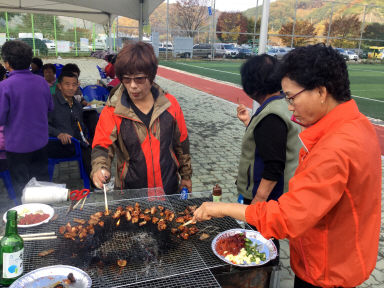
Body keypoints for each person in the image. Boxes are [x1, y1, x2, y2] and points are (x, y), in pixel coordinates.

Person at [192, 44, 382, 288]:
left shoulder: (336, 147)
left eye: (291, 97)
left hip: (326, 271)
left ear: (321, 92)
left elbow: (287, 218)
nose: (290, 107)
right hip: (340, 255)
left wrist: (221, 209)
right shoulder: (357, 124)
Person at [91, 41, 192, 195]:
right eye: (126, 79)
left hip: (168, 189)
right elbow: (102, 146)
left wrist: (185, 176)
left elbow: (182, 143)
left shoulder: (170, 104)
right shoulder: (112, 110)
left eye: (139, 79)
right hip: (130, 194)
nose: (132, 86)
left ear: (151, 76)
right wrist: (100, 168)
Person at [236, 55, 300, 205]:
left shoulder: (271, 115)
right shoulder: (285, 103)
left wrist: (258, 201)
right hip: (286, 195)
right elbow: (272, 143)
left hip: (271, 201)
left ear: (252, 85)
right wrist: (248, 122)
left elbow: (274, 166)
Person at [0, 40, 53, 199]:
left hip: (17, 148)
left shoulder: (5, 86)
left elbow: (1, 117)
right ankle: (45, 216)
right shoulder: (42, 82)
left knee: (23, 189)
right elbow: (50, 108)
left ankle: (29, 219)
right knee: (42, 185)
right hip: (41, 144)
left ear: (8, 64)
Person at [47, 71, 92, 178]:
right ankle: (96, 183)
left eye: (74, 85)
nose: (71, 88)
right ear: (59, 86)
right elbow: (42, 125)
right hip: (56, 144)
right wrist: (59, 134)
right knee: (88, 150)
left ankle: (98, 178)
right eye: (67, 84)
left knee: (99, 146)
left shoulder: (77, 105)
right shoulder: (51, 102)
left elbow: (80, 127)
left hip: (75, 143)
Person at [61, 63, 99, 142]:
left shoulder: (77, 88)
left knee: (93, 114)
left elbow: (81, 99)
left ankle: (95, 140)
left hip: (79, 111)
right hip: (68, 114)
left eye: (76, 77)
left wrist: (87, 104)